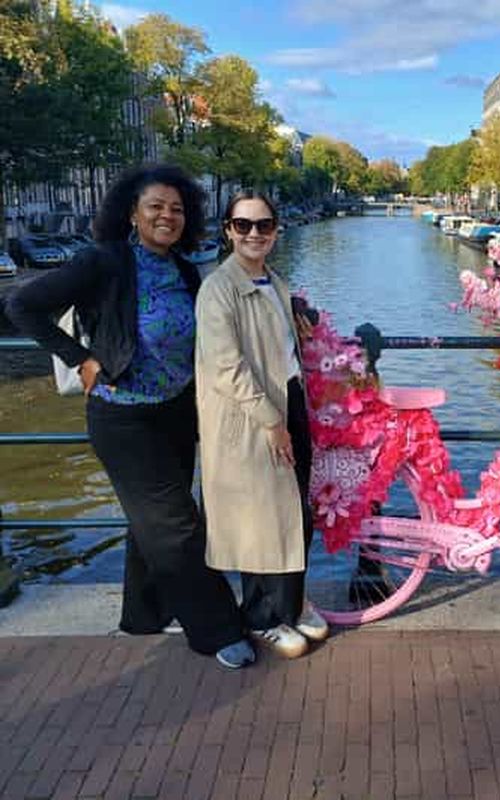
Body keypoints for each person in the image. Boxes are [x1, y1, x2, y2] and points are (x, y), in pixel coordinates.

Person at [6, 164, 254, 670]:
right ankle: (217, 629)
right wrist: (80, 358)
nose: (167, 216)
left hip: (176, 411)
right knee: (177, 525)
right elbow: (22, 305)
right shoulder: (103, 261)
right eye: (155, 206)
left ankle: (142, 615)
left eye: (177, 208)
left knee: (152, 524)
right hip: (123, 418)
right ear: (132, 213)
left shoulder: (184, 268)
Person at [194, 190, 328, 659]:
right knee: (260, 517)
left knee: (292, 510)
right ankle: (262, 616)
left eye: (264, 225)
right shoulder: (218, 289)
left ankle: (290, 604)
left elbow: (277, 344)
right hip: (255, 416)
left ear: (275, 230)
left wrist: (299, 326)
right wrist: (271, 421)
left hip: (289, 401)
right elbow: (225, 365)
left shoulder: (275, 281)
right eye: (244, 225)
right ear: (228, 231)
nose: (255, 234)